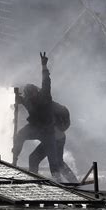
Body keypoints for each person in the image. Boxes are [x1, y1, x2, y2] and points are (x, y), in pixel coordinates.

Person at [12, 52, 77, 182]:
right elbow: (21, 100)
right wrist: (16, 98)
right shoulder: (28, 100)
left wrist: (44, 65)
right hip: (36, 128)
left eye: (32, 94)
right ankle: (18, 164)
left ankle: (71, 185)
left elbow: (46, 80)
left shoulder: (45, 96)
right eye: (29, 96)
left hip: (49, 133)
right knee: (21, 138)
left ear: (36, 92)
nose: (31, 97)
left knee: (56, 165)